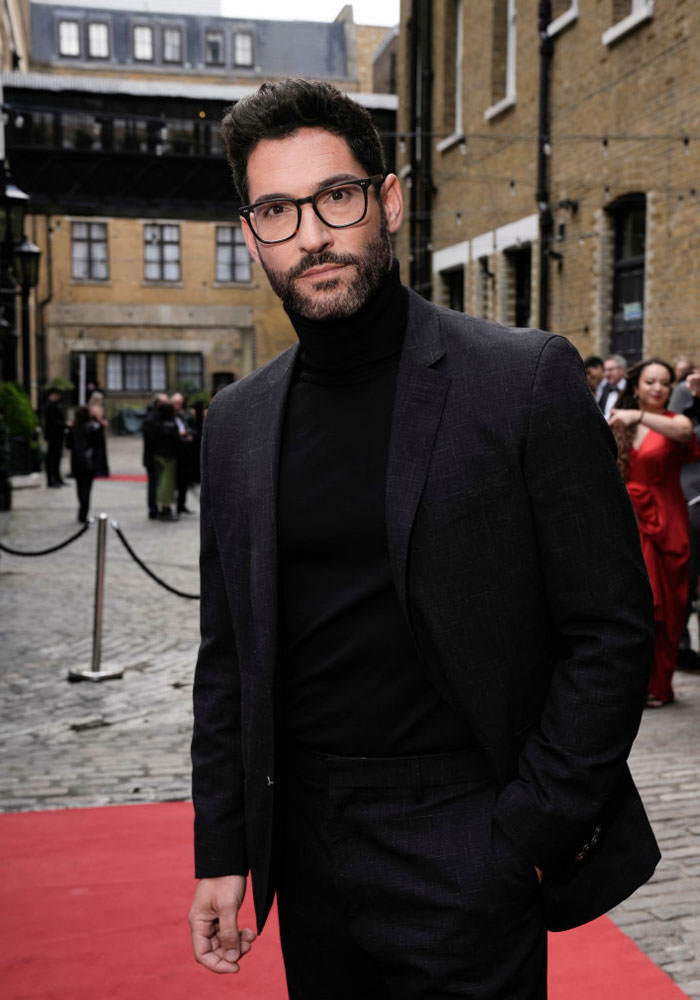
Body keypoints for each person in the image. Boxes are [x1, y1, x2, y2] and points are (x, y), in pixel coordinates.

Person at [189, 79, 659, 999]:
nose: (312, 235)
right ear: (252, 236)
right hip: (307, 843)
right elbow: (228, 659)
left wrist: (527, 829)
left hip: (465, 830)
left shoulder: (520, 381)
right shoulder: (237, 423)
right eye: (278, 210)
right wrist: (224, 849)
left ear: (388, 200)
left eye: (336, 197)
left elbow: (611, 628)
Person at [609, 360, 699, 707]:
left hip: (666, 520)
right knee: (632, 604)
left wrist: (640, 417)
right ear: (636, 387)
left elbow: (685, 434)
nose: (658, 389)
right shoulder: (619, 422)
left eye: (665, 382)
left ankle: (659, 685)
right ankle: (630, 683)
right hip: (628, 520)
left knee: (668, 606)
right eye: (650, 382)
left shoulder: (675, 422)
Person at [667, 366, 700, 671]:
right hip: (692, 498)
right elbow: (679, 436)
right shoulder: (683, 392)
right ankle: (682, 649)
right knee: (685, 580)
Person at [65, 405, 102, 523]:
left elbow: (68, 445)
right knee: (87, 488)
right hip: (89, 461)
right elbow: (98, 443)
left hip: (77, 461)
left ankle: (81, 510)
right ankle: (83, 513)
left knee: (80, 487)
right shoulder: (92, 427)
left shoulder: (73, 428)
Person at [142, 393, 168, 519]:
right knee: (153, 484)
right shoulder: (151, 419)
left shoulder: (158, 417)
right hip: (153, 457)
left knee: (158, 483)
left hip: (157, 456)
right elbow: (152, 439)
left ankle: (158, 508)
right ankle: (153, 509)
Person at [152, 401, 179, 521]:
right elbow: (176, 440)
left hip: (159, 456)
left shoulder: (156, 424)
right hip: (168, 458)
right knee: (167, 484)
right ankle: (165, 507)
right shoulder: (170, 425)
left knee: (162, 482)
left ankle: (164, 507)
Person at [171, 392, 194, 514]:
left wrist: (188, 433)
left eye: (180, 404)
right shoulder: (168, 415)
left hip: (185, 451)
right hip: (174, 452)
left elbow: (186, 427)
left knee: (184, 481)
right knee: (174, 481)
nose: (178, 406)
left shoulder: (181, 415)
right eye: (176, 404)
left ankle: (181, 505)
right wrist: (180, 434)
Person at [43, 387, 65, 487]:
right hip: (53, 435)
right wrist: (65, 424)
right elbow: (52, 422)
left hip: (58, 435)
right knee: (52, 458)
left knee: (57, 457)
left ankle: (57, 478)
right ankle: (51, 480)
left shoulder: (55, 405)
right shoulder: (48, 405)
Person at [86, 390, 110, 478]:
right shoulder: (96, 408)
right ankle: (99, 470)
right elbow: (100, 420)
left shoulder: (91, 407)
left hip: (97, 431)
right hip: (97, 433)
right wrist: (104, 422)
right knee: (99, 451)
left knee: (98, 450)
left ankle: (98, 469)